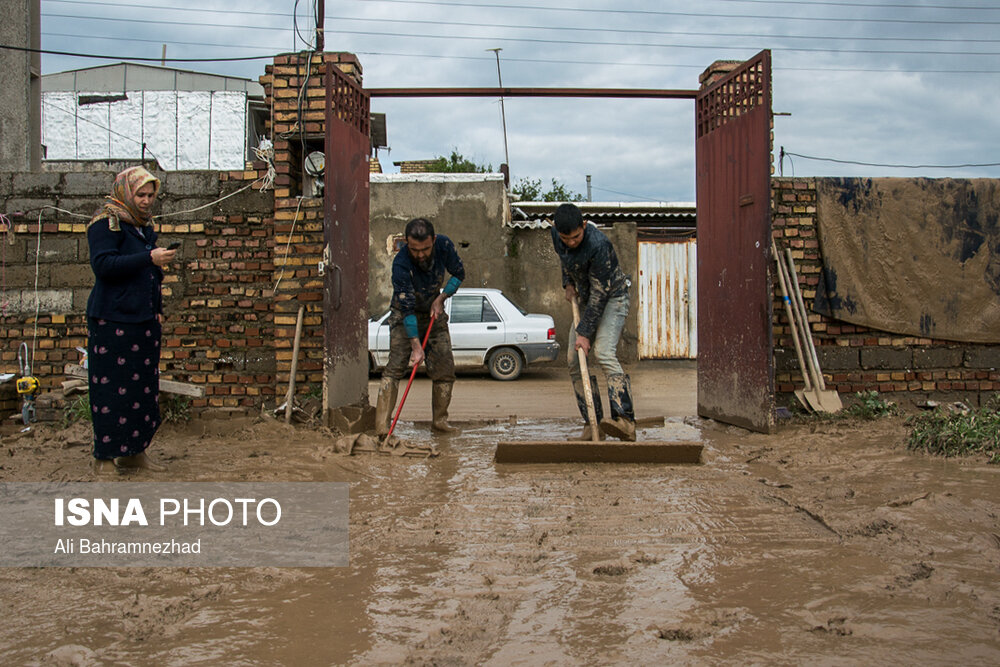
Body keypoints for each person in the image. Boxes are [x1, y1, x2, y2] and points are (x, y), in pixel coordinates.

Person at [86, 166, 176, 473]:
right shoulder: (106, 223)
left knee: (141, 390)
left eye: (152, 195)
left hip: (143, 319)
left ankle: (134, 452)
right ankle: (104, 458)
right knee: (111, 389)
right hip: (112, 319)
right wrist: (148, 257)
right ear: (126, 192)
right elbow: (104, 265)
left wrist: (158, 308)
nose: (148, 200)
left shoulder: (142, 227)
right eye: (141, 194)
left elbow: (151, 274)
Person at [550, 203, 636, 441]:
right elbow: (564, 259)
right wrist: (567, 282)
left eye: (576, 237)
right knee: (573, 360)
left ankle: (625, 421)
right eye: (566, 238)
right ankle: (592, 424)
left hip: (612, 296)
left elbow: (600, 294)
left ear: (584, 226)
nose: (571, 242)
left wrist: (584, 333)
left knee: (603, 352)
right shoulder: (557, 236)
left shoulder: (598, 244)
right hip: (587, 299)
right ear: (558, 231)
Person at [375, 218, 465, 435]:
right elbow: (407, 309)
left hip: (433, 313)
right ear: (407, 243)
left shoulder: (444, 246)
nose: (421, 255)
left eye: (425, 249)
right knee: (395, 368)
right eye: (415, 250)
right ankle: (382, 428)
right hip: (403, 315)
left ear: (433, 240)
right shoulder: (401, 264)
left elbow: (459, 274)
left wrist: (441, 298)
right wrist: (416, 346)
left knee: (445, 370)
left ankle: (440, 422)